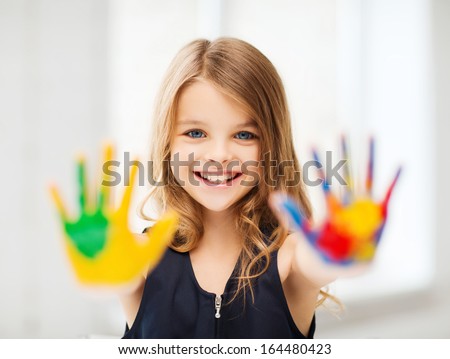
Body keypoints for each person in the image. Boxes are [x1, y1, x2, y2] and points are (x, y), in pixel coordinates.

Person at [120, 37, 340, 339]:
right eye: (196, 132)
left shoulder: (291, 259)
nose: (220, 154)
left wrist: (340, 247)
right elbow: (115, 275)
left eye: (245, 135)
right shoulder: (139, 256)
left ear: (272, 147)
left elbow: (317, 263)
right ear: (167, 142)